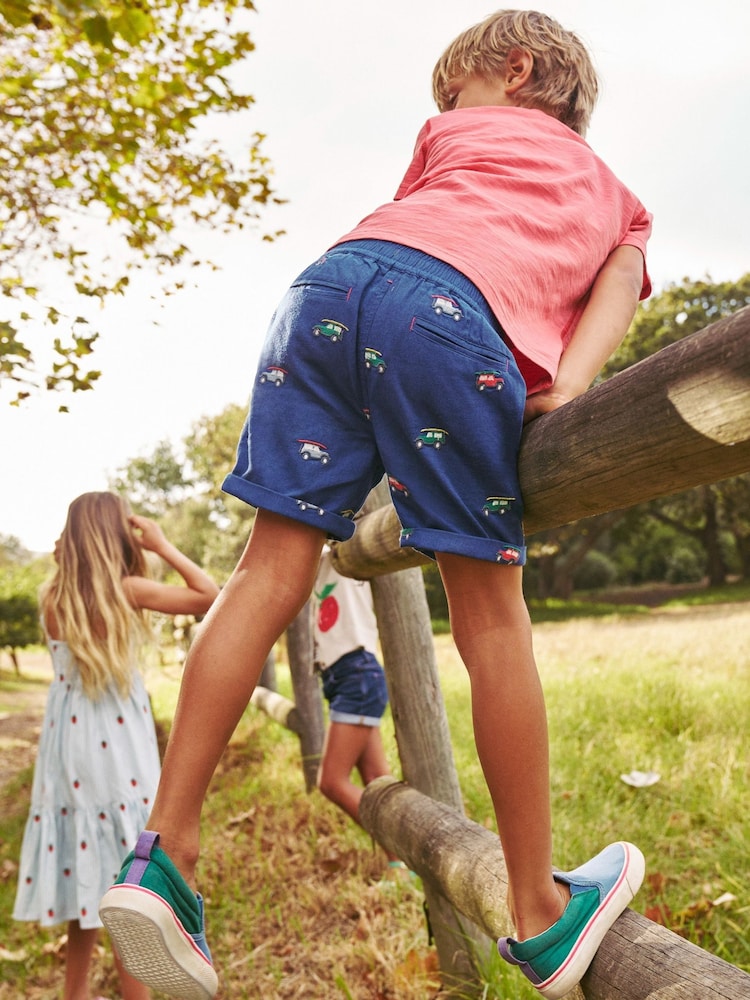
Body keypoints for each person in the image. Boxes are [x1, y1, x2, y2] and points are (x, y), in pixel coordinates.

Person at [100, 10, 652, 1000]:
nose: (444, 107)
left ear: (517, 68)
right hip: (444, 316)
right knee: (489, 615)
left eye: (455, 87)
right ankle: (538, 909)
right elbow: (608, 301)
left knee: (264, 572)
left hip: (322, 291)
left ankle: (164, 854)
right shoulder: (621, 204)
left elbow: (406, 237)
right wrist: (563, 383)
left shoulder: (449, 137)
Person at [13, 492, 220, 1000]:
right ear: (116, 537)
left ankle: (76, 992)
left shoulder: (52, 597)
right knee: (131, 883)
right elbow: (209, 596)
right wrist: (163, 545)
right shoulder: (128, 590)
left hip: (68, 750)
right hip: (119, 749)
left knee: (85, 868)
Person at [313, 544, 407, 877]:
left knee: (331, 782)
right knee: (376, 779)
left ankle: (407, 846)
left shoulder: (343, 552)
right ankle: (400, 866)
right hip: (342, 675)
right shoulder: (314, 561)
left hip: (356, 672)